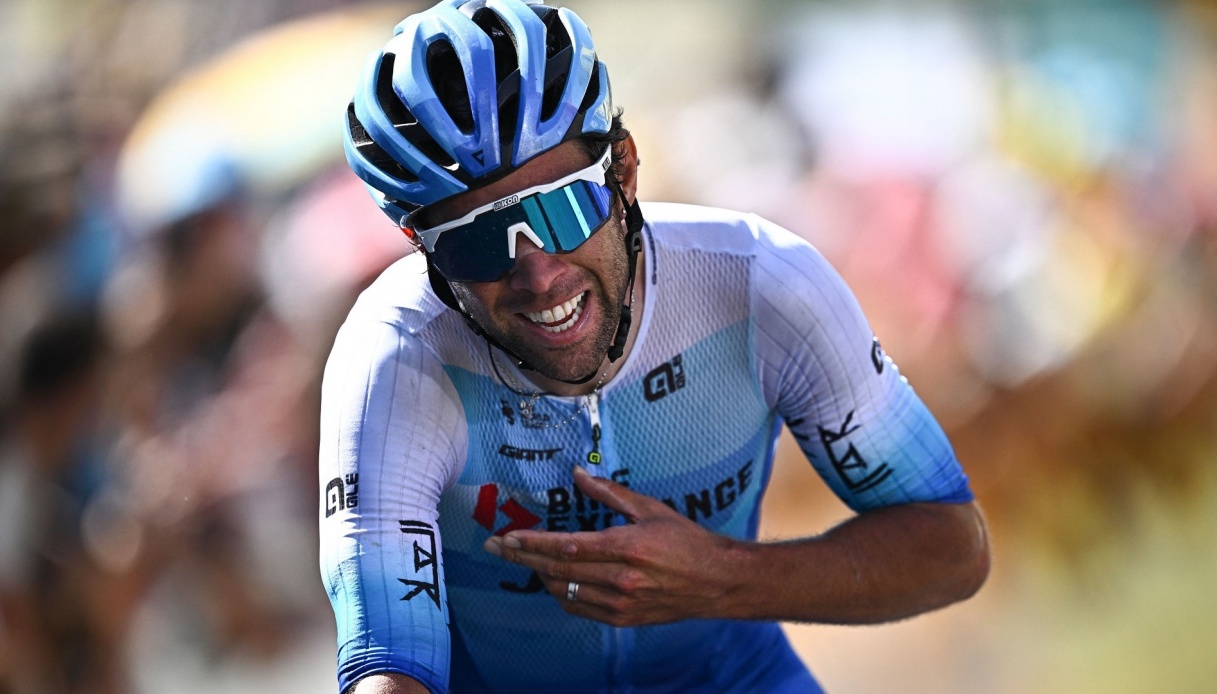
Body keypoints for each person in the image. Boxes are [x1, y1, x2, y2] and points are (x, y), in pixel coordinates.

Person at [319, 1, 990, 692]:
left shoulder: (761, 285)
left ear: (624, 172)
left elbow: (952, 547)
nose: (538, 274)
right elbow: (386, 665)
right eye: (476, 243)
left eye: (562, 208)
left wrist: (724, 579)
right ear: (423, 251)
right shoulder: (394, 360)